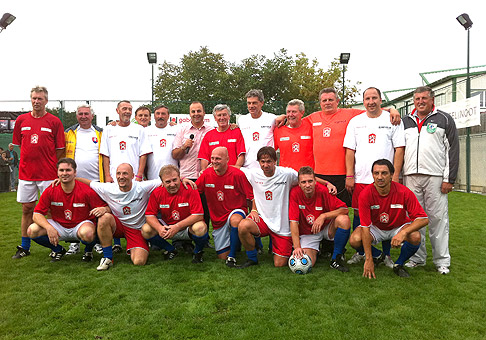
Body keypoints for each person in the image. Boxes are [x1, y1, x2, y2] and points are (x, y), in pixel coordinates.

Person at [237, 146, 336, 268]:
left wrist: (326, 183)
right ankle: (252, 258)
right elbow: (235, 168)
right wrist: (211, 166)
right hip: (262, 220)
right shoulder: (253, 174)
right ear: (259, 163)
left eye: (269, 161)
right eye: (262, 162)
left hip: (282, 226)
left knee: (279, 264)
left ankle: (297, 247)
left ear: (275, 161)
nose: (265, 165)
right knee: (242, 226)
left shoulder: (287, 174)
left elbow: (306, 177)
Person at [343, 87, 405, 267]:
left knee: (384, 214)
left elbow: (399, 149)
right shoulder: (356, 121)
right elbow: (350, 150)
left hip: (385, 179)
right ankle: (361, 251)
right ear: (363, 101)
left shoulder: (392, 119)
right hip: (361, 178)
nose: (371, 101)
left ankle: (386, 255)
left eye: (374, 98)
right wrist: (349, 175)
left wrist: (396, 176)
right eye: (367, 98)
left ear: (380, 100)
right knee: (358, 213)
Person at [402, 86, 459, 275]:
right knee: (415, 219)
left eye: (424, 98)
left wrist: (449, 178)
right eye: (417, 98)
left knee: (438, 219)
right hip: (410, 177)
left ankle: (442, 261)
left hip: (435, 177)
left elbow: (452, 150)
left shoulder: (444, 119)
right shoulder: (405, 121)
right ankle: (417, 258)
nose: (420, 102)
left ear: (432, 99)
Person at [349, 159, 429, 278]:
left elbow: (423, 218)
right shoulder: (365, 194)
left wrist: (403, 233)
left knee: (415, 236)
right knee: (354, 239)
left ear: (392, 175)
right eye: (376, 173)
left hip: (398, 226)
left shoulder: (403, 191)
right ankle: (378, 256)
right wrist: (368, 259)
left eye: (384, 173)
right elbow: (365, 227)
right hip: (376, 227)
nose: (380, 177)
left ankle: (399, 264)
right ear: (372, 175)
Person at [11, 86, 65, 259]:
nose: (36, 101)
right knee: (27, 209)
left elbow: (59, 149)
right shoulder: (21, 120)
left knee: (50, 211)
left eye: (40, 99)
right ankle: (24, 247)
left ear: (46, 101)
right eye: (34, 98)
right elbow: (21, 144)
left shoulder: (54, 121)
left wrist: (49, 164)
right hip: (26, 174)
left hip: (48, 174)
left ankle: (55, 247)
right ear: (31, 99)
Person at [78, 163, 161, 270]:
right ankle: (108, 258)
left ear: (132, 176)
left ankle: (135, 247)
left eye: (125, 174)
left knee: (139, 262)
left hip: (136, 229)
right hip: (118, 226)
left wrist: (182, 179)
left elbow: (165, 178)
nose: (121, 177)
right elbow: (88, 183)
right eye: (118, 173)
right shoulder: (108, 188)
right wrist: (66, 179)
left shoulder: (142, 187)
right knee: (104, 217)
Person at [26, 158, 108, 262]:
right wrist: (49, 228)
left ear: (75, 173)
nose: (64, 173)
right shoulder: (50, 190)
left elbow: (106, 207)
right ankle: (58, 250)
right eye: (61, 170)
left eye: (68, 170)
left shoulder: (86, 190)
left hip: (80, 225)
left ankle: (88, 251)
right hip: (58, 225)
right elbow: (37, 214)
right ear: (57, 173)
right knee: (32, 230)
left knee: (88, 234)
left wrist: (104, 209)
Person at [196, 147, 254, 267]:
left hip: (236, 211)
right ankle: (235, 245)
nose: (214, 161)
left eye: (218, 158)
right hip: (218, 220)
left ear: (227, 159)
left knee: (235, 220)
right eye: (212, 158)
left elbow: (251, 196)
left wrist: (253, 211)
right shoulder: (206, 174)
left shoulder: (238, 174)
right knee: (222, 256)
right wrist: (185, 182)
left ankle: (232, 256)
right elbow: (195, 191)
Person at [142, 165, 209, 263]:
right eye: (168, 182)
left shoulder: (190, 189)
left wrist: (177, 226)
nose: (172, 184)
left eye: (175, 180)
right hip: (167, 228)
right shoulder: (157, 192)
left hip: (187, 228)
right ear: (162, 182)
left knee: (200, 227)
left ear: (180, 178)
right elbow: (149, 215)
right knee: (146, 229)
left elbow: (198, 215)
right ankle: (170, 250)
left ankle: (198, 252)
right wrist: (160, 228)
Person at [289, 166, 350, 271]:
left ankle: (336, 258)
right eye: (303, 182)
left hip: (326, 227)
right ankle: (319, 250)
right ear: (299, 184)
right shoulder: (294, 193)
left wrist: (323, 216)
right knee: (307, 262)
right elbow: (293, 222)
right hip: (308, 233)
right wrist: (297, 247)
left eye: (310, 181)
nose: (307, 185)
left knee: (344, 220)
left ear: (315, 181)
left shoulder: (323, 190)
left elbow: (344, 209)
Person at [64, 104, 104, 255]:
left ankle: (98, 242)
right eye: (80, 114)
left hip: (97, 180)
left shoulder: (101, 132)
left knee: (97, 213)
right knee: (75, 211)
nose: (83, 116)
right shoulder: (69, 132)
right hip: (75, 181)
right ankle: (74, 244)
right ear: (77, 116)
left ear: (92, 116)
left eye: (86, 114)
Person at [100, 100, 152, 184]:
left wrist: (139, 175)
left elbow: (143, 154)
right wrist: (107, 176)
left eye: (130, 109)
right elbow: (105, 155)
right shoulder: (108, 129)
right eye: (124, 109)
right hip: (114, 178)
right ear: (117, 111)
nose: (127, 112)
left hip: (134, 178)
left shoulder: (139, 129)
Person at [198, 104, 245, 171]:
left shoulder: (237, 132)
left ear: (229, 116)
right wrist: (205, 171)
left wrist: (234, 171)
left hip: (232, 174)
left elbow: (241, 155)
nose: (222, 118)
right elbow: (204, 158)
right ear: (215, 118)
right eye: (219, 115)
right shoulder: (208, 135)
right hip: (214, 175)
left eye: (224, 115)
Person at [238, 90, 276, 169]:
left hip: (267, 168)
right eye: (249, 103)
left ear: (262, 103)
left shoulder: (272, 118)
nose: (251, 106)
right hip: (247, 167)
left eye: (254, 103)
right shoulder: (242, 120)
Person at [274, 99, 314, 171]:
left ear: (302, 113)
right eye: (288, 112)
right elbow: (271, 151)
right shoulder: (279, 130)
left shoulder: (311, 126)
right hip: (286, 175)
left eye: (294, 112)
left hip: (307, 175)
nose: (290, 115)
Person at [145, 105, 178, 180]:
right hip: (153, 176)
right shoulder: (146, 131)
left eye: (163, 114)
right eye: (158, 113)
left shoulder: (176, 129)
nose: (160, 116)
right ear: (154, 116)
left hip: (172, 177)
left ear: (168, 116)